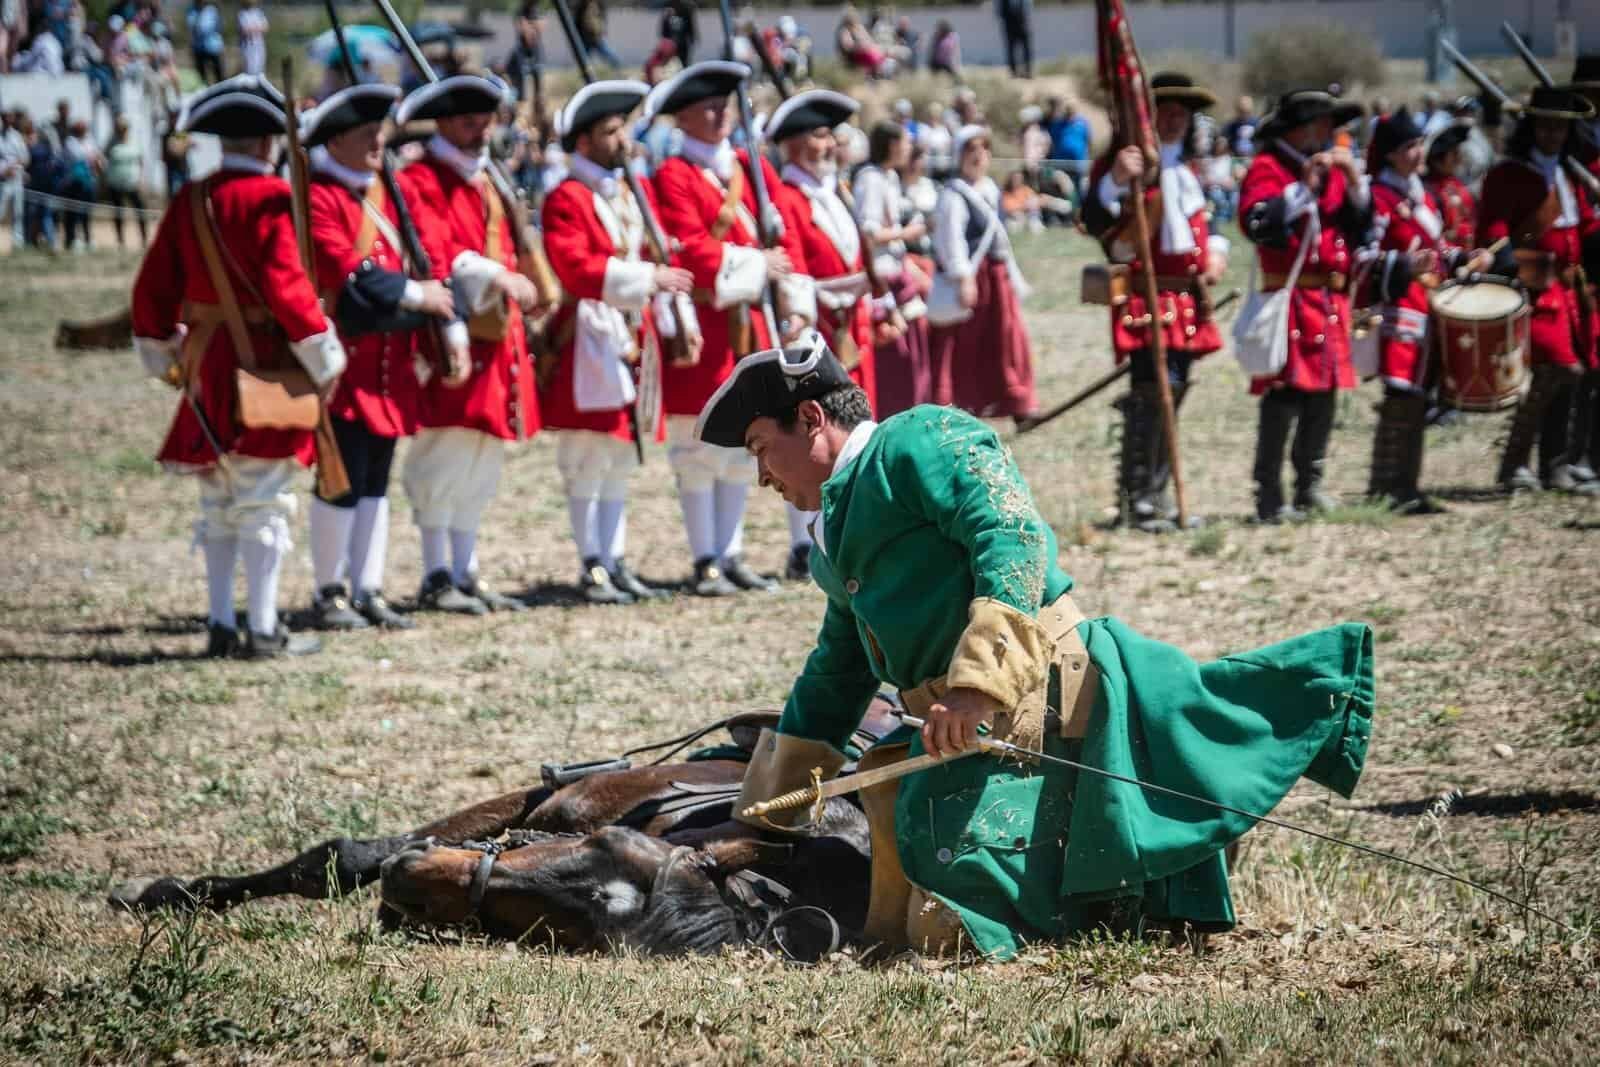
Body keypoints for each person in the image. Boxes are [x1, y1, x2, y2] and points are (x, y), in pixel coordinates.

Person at [699, 336, 1374, 958]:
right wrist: (771, 806)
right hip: (959, 734)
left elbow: (1013, 536)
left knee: (946, 925)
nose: (761, 476)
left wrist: (977, 684)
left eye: (760, 446)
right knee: (896, 920)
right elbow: (836, 670)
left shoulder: (922, 440)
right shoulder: (834, 534)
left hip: (1038, 705)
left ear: (812, 416)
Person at [130, 74, 347, 658]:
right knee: (264, 499)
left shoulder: (192, 197)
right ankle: (264, 629)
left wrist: (159, 347)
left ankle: (223, 623)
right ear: (267, 143)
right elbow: (287, 287)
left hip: (207, 362)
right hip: (262, 362)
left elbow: (152, 290)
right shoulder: (272, 200)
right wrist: (324, 352)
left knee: (220, 500)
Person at [301, 84, 469, 631]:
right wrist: (419, 296)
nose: (378, 142)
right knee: (340, 479)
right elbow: (345, 274)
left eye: (381, 132)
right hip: (346, 365)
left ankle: (368, 587)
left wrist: (448, 313)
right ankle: (331, 591)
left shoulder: (385, 193)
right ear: (337, 140)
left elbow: (431, 255)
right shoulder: (321, 195)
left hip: (391, 365)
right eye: (365, 134)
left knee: (375, 480)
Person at [643, 60, 800, 596]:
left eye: (724, 105)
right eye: (707, 107)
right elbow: (690, 248)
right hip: (705, 325)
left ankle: (731, 554)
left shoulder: (747, 166)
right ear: (682, 117)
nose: (719, 114)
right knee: (696, 447)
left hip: (750, 323)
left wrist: (783, 277)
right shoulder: (673, 176)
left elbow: (786, 234)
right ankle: (704, 556)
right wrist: (758, 264)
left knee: (741, 446)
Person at [540, 80, 696, 604]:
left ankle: (615, 556)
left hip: (628, 337)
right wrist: (645, 278)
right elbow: (576, 266)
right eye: (611, 131)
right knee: (586, 457)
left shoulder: (630, 192)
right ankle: (592, 562)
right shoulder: (565, 196)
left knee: (618, 458)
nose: (623, 139)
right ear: (583, 142)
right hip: (589, 337)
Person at [397, 73, 545, 614]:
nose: (480, 128)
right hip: (449, 335)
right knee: (444, 456)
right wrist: (496, 275)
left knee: (480, 463)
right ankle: (437, 573)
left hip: (493, 336)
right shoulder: (420, 179)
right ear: (442, 123)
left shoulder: (486, 179)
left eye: (485, 119)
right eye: (468, 120)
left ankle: (467, 569)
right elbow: (432, 254)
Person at [1083, 73, 1229, 532]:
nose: (1174, 123)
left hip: (1184, 298)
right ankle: (1137, 499)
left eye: (1181, 116)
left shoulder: (1185, 172)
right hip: (1146, 296)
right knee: (1151, 395)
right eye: (1166, 114)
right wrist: (1116, 180)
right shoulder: (1125, 166)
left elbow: (1203, 227)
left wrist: (1216, 255)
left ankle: (1159, 495)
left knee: (1175, 391)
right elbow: (1095, 219)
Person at [768, 90, 893, 579]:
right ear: (796, 146)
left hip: (851, 330)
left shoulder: (834, 192)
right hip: (815, 332)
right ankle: (806, 542)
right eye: (820, 136)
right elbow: (796, 272)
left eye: (829, 136)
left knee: (853, 434)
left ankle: (847, 532)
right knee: (810, 438)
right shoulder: (788, 198)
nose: (830, 145)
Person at [1239, 88, 1372, 523]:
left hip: (1328, 299)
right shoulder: (1267, 167)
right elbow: (1257, 222)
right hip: (1291, 299)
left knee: (1324, 399)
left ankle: (1309, 486)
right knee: (1284, 399)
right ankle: (1270, 495)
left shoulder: (1332, 169)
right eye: (1325, 126)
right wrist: (1301, 188)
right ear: (1305, 127)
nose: (1331, 135)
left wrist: (1354, 183)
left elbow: (1356, 226)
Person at [1362, 109, 1493, 513]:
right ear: (1390, 155)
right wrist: (1404, 264)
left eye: (1419, 145)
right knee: (1401, 396)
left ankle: (1407, 486)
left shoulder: (1418, 195)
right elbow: (1366, 255)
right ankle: (1384, 486)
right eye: (1409, 147)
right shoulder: (1379, 197)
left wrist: (1464, 258)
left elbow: (1437, 251)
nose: (1419, 153)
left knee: (1419, 399)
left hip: (1427, 306)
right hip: (1398, 307)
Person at [1477, 88, 1600, 496]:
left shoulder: (1568, 173)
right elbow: (1494, 232)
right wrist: (1517, 272)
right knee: (1560, 368)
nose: (1552, 134)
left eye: (1560, 127)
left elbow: (1583, 228)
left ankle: (1553, 466)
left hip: (1569, 291)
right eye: (1545, 125)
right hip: (1534, 289)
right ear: (1531, 127)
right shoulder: (1508, 173)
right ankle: (1514, 464)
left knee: (1568, 378)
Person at [928, 125, 1036, 424]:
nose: (979, 156)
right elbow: (950, 240)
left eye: (983, 149)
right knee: (972, 346)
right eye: (971, 150)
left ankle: (1017, 402)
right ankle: (969, 406)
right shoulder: (953, 195)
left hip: (997, 277)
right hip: (977, 281)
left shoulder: (988, 188)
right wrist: (964, 278)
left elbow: (999, 237)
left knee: (1008, 340)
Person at [855, 119, 931, 417]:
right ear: (891, 145)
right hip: (883, 278)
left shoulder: (889, 177)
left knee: (911, 355)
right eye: (905, 142)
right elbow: (869, 233)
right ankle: (890, 416)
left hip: (897, 272)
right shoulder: (870, 179)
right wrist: (907, 234)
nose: (909, 148)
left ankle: (911, 412)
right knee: (895, 357)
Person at [1422, 124, 1476, 250]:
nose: (1459, 158)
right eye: (1454, 154)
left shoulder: (1456, 184)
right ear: (1437, 159)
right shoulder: (1427, 190)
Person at [103, 113, 147, 247]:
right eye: (119, 127)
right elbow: (104, 159)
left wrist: (142, 180)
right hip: (115, 183)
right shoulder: (111, 143)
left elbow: (141, 162)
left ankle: (144, 239)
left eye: (123, 127)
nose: (121, 130)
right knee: (118, 212)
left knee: (140, 210)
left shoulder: (135, 142)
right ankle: (120, 240)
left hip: (133, 183)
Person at [58, 118, 98, 252]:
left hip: (88, 182)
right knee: (73, 213)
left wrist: (93, 158)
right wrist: (91, 158)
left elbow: (95, 156)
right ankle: (72, 239)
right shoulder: (70, 142)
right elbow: (79, 157)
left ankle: (87, 238)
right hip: (73, 183)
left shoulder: (89, 141)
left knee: (86, 212)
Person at [1043, 97, 1090, 205]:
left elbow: (1087, 142)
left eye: (1072, 108)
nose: (1069, 111)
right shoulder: (1057, 124)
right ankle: (1066, 213)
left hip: (1078, 164)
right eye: (1068, 108)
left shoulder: (1083, 123)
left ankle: (1079, 213)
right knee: (1064, 189)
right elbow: (1051, 139)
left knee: (1081, 190)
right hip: (1060, 164)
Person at [504, 4, 545, 115]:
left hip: (532, 52)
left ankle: (537, 110)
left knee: (538, 78)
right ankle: (519, 110)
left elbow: (541, 24)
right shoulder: (517, 52)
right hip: (519, 58)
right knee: (520, 78)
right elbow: (520, 25)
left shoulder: (537, 50)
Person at [1, 110, 27, 250]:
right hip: (2, 180)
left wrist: (14, 167)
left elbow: (24, 157)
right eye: (5, 118)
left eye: (9, 118)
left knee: (18, 212)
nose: (7, 120)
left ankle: (18, 241)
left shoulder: (17, 137)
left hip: (16, 179)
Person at [574, 0, 621, 70]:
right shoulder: (583, 6)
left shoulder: (597, 5)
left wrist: (601, 30)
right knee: (584, 56)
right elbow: (578, 21)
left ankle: (618, 66)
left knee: (605, 52)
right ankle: (585, 71)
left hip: (595, 36)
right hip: (585, 36)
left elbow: (601, 19)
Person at [185, 0, 222, 85]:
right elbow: (193, 29)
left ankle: (222, 93)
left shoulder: (212, 10)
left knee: (218, 73)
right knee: (202, 76)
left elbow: (218, 26)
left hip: (213, 46)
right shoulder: (191, 11)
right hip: (198, 48)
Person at [995, 0, 1031, 79]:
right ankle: (1013, 72)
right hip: (1009, 24)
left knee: (1026, 48)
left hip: (1022, 23)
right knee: (1010, 49)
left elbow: (1027, 6)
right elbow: (999, 10)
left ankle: (1028, 71)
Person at [236, 0, 265, 77]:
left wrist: (252, 29)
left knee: (259, 67)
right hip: (247, 47)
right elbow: (244, 30)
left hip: (259, 46)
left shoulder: (258, 13)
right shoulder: (242, 14)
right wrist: (257, 28)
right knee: (249, 69)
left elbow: (265, 27)